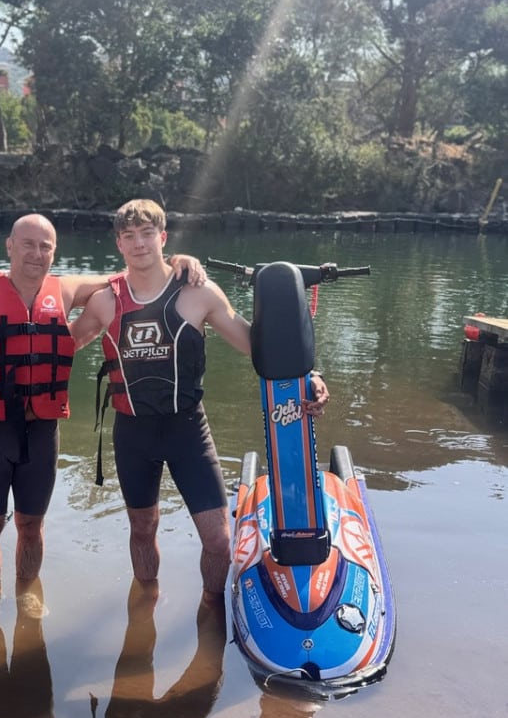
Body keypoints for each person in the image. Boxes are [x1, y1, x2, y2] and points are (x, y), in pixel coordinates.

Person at [0, 215, 206, 588]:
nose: (36, 253)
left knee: (31, 526)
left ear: (54, 252)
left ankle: (26, 596)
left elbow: (133, 275)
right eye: (28, 244)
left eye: (45, 246)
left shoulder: (66, 290)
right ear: (10, 247)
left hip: (41, 432)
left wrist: (177, 262)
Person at [70, 199, 329, 607]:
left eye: (147, 234)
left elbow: (256, 347)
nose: (139, 244)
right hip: (132, 433)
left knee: (218, 540)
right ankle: (146, 605)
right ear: (119, 244)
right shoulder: (105, 301)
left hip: (187, 430)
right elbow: (63, 345)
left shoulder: (199, 292)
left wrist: (307, 376)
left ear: (163, 237)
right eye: (129, 236)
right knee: (142, 529)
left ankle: (211, 607)